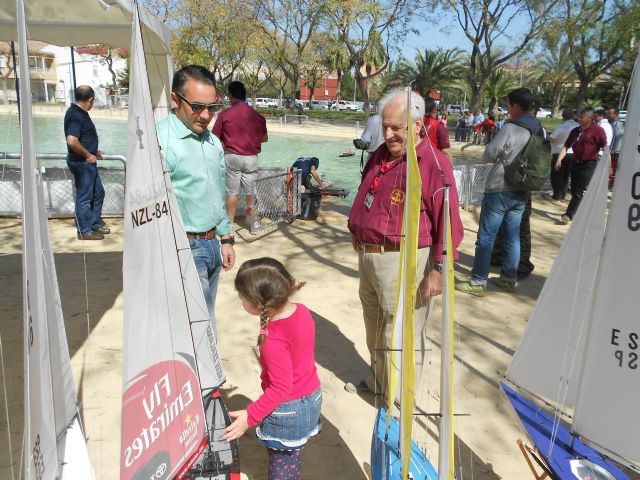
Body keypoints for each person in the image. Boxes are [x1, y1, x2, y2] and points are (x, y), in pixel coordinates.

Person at [348, 89, 464, 394]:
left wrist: (438, 269)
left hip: (405, 259)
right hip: (369, 257)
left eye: (396, 128)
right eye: (385, 126)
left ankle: (400, 400)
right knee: (374, 327)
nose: (388, 134)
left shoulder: (433, 163)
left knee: (400, 334)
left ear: (416, 125)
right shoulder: (379, 155)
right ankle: (380, 383)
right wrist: (356, 230)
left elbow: (449, 223)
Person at [224, 257, 322, 480]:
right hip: (312, 397)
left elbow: (280, 387)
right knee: (292, 456)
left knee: (282, 469)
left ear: (259, 304)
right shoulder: (302, 311)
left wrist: (250, 417)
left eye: (242, 298)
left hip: (289, 410)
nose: (241, 302)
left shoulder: (272, 340)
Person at [156, 65, 236, 330]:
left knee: (207, 316)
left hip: (213, 243)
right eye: (197, 106)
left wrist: (225, 238)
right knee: (196, 325)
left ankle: (207, 368)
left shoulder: (213, 142)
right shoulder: (159, 142)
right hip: (184, 248)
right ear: (175, 99)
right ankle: (207, 371)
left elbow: (218, 192)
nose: (205, 115)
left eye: (212, 107)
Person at [456, 87, 542, 297]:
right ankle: (508, 279)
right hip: (521, 189)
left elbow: (489, 153)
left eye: (509, 105)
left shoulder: (511, 128)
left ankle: (477, 281)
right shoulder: (538, 129)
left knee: (486, 236)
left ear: (514, 105)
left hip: (499, 189)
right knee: (513, 236)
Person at [212, 81, 268, 226]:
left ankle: (229, 224)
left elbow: (214, 138)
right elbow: (265, 138)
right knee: (251, 192)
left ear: (231, 96)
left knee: (232, 192)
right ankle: (253, 222)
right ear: (244, 96)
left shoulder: (224, 115)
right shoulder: (258, 116)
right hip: (251, 158)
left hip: (232, 157)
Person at [64, 85, 108, 240]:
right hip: (82, 163)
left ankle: (94, 225)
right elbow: (72, 141)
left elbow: (81, 138)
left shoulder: (80, 113)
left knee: (99, 193)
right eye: (93, 101)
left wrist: (94, 151)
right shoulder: (75, 115)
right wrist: (88, 155)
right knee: (84, 198)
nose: (93, 103)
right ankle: (85, 231)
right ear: (90, 99)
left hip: (87, 161)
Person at [555, 107, 607, 225]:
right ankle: (578, 211)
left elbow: (605, 148)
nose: (579, 118)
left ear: (589, 118)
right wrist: (559, 159)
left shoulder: (598, 130)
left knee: (579, 191)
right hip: (575, 163)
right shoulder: (575, 131)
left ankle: (568, 214)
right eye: (579, 116)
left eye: (582, 117)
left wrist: (608, 167)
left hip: (589, 164)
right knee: (574, 190)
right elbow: (566, 146)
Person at [548, 108, 579, 201]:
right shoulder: (578, 126)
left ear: (563, 116)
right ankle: (563, 193)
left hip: (559, 152)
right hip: (572, 153)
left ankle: (557, 194)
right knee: (566, 175)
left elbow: (552, 138)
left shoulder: (562, 127)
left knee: (556, 175)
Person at [421, 96, 453, 162]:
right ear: (434, 109)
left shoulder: (415, 123)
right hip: (432, 163)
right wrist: (449, 169)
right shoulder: (439, 126)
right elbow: (446, 152)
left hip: (415, 164)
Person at [607, 107, 624, 189]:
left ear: (615, 114)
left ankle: (611, 184)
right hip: (612, 151)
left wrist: (613, 151)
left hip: (614, 151)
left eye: (610, 113)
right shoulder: (612, 123)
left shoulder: (617, 124)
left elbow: (617, 138)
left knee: (613, 168)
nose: (608, 115)